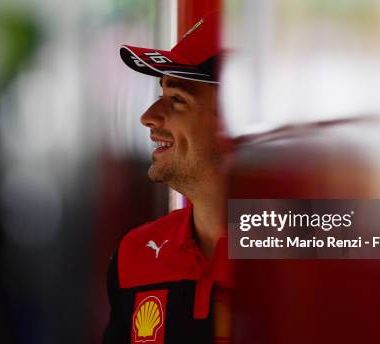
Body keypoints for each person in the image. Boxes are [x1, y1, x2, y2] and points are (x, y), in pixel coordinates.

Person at [103, 11, 233, 344]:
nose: (148, 117)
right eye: (160, 94)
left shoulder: (319, 242)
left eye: (176, 100)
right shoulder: (134, 254)